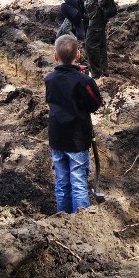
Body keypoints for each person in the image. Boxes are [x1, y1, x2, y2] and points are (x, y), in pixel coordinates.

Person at [45, 34, 104, 213]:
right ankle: (80, 221)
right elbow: (95, 103)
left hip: (57, 138)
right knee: (78, 181)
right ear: (78, 55)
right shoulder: (84, 81)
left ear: (56, 56)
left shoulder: (49, 79)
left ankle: (62, 218)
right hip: (77, 139)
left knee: (62, 182)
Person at [77, 0, 116, 79]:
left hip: (98, 17)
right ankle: (104, 70)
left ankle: (96, 73)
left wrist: (100, 4)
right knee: (100, 43)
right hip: (95, 16)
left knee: (90, 44)